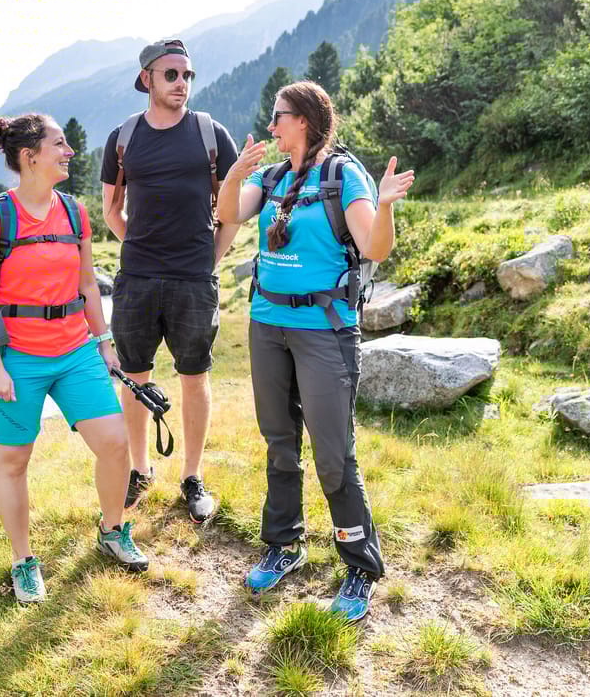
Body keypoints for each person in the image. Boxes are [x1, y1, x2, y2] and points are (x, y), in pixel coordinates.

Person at [216, 80, 414, 620]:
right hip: (267, 325)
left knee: (333, 453)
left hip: (325, 332)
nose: (271, 124)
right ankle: (284, 545)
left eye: (278, 115)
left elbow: (374, 247)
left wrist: (385, 205)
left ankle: (359, 566)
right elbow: (230, 213)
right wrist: (234, 173)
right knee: (279, 442)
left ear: (302, 119)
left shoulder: (344, 176)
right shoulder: (271, 177)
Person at [0, 113, 149, 604]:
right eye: (60, 144)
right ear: (30, 157)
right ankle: (23, 561)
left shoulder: (74, 211)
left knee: (115, 444)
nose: (70, 152)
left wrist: (104, 343)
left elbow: (87, 283)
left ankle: (112, 531)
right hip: (16, 358)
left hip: (75, 352)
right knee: (13, 460)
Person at [100, 38, 241, 522]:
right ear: (147, 79)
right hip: (136, 280)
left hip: (193, 281)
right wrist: (141, 247)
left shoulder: (210, 133)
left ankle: (192, 477)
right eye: (172, 75)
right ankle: (139, 470)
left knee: (194, 377)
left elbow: (231, 210)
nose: (182, 83)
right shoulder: (123, 137)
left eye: (188, 75)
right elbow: (111, 210)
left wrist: (208, 259)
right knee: (135, 376)